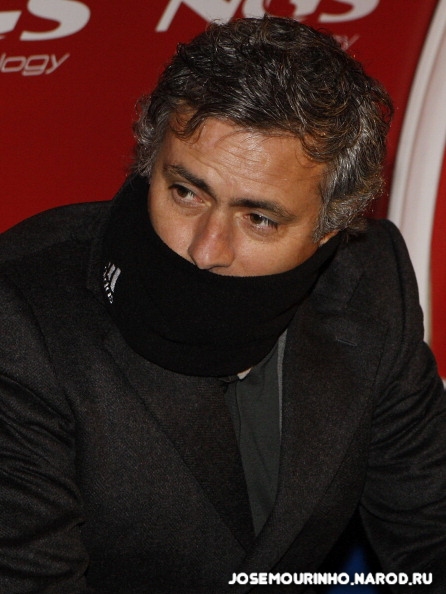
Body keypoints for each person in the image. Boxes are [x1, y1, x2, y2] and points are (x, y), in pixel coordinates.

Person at [0, 15, 445, 594]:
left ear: (331, 231)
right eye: (186, 191)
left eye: (259, 218)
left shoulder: (370, 280)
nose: (206, 249)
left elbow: (431, 532)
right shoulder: (22, 311)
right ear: (149, 163)